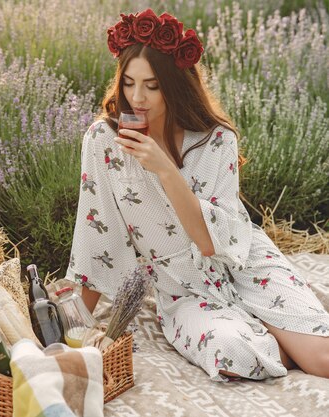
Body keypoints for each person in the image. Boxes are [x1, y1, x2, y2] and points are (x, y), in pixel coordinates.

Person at [66, 8, 329, 381]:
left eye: (152, 85)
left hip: (245, 262)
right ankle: (270, 336)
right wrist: (72, 330)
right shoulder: (103, 143)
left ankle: (285, 336)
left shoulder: (216, 139)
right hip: (183, 287)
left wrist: (165, 168)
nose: (137, 97)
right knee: (232, 354)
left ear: (175, 85)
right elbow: (98, 237)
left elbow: (209, 242)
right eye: (128, 82)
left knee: (322, 359)